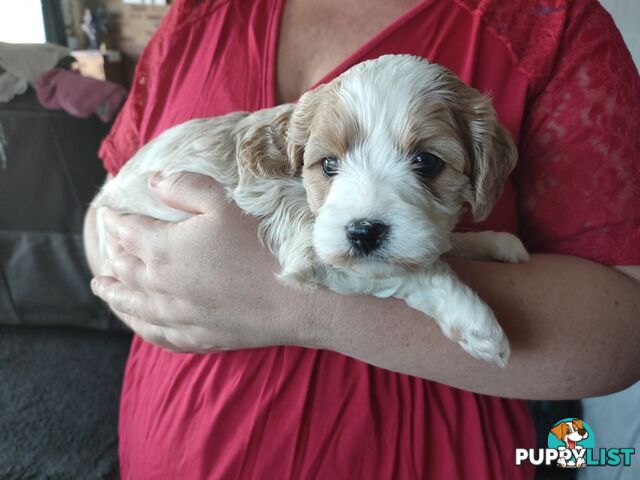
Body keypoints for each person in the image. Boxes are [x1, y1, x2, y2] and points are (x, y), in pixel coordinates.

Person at [83, 0, 640, 477]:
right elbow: (103, 214)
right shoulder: (198, 11)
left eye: (424, 162)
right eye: (327, 164)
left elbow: (624, 330)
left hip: (432, 451)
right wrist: (133, 287)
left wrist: (292, 305)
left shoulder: (547, 20)